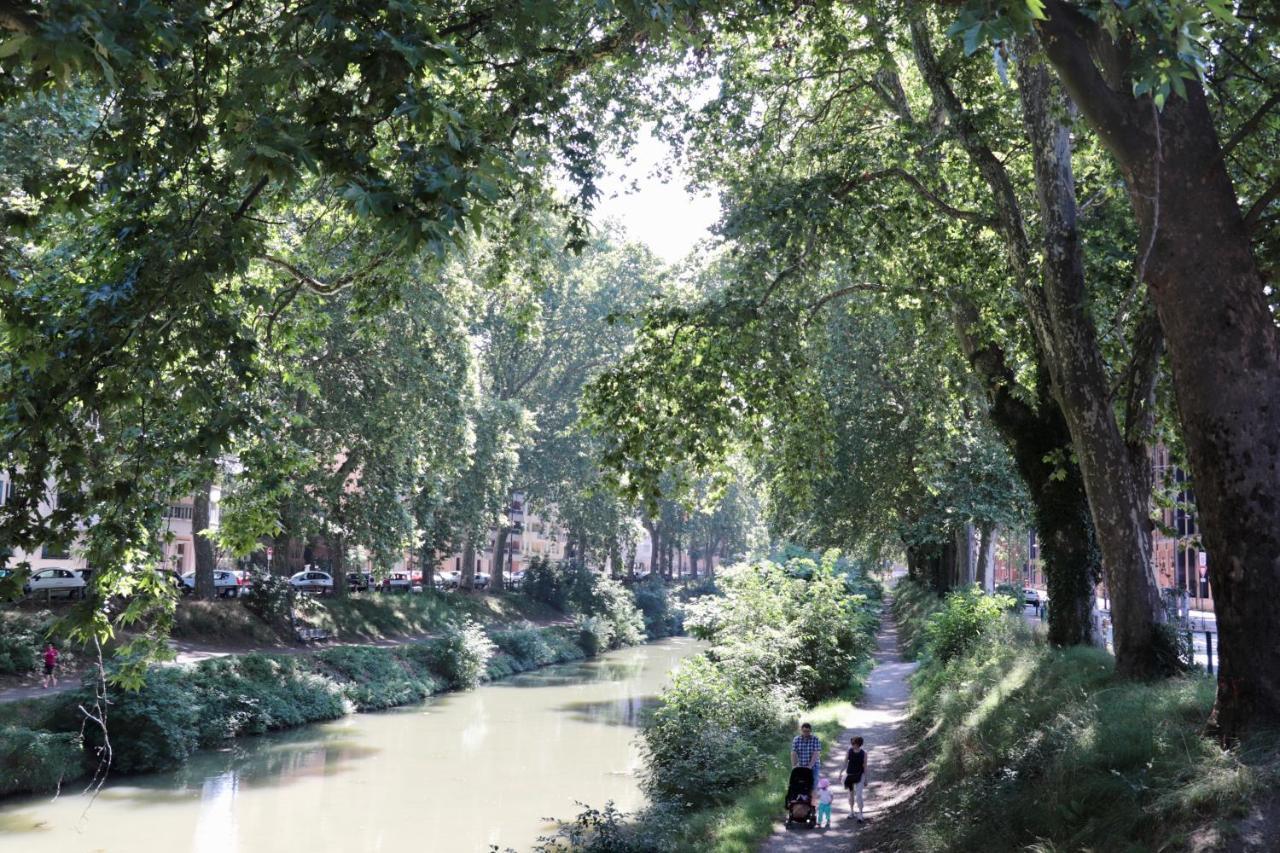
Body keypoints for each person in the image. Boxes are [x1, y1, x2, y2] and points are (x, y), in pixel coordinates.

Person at [791, 722, 822, 791]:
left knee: (814, 784)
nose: (806, 733)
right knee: (801, 785)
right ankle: (804, 800)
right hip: (801, 765)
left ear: (810, 731)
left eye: (807, 731)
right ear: (801, 731)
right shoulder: (796, 739)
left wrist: (810, 766)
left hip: (814, 766)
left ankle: (813, 799)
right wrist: (794, 766)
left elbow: (816, 753)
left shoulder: (815, 739)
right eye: (804, 731)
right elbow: (794, 753)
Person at [845, 735, 867, 823]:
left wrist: (866, 778)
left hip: (860, 776)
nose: (852, 745)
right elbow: (845, 762)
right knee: (850, 795)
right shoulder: (849, 751)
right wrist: (840, 773)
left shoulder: (864, 753)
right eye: (852, 743)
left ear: (859, 744)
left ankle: (861, 814)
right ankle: (851, 811)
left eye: (854, 743)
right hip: (850, 775)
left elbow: (865, 766)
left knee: (859, 795)